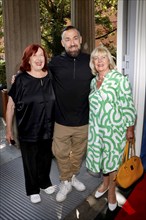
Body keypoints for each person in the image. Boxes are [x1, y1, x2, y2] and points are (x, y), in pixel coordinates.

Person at [86, 46, 136, 212]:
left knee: (113, 161)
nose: (99, 61)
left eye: (103, 57)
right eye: (96, 58)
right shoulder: (94, 81)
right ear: (93, 62)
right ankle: (105, 183)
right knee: (103, 159)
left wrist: (130, 129)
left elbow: (128, 105)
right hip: (97, 130)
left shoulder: (119, 79)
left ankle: (112, 192)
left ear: (109, 60)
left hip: (114, 129)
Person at [6, 44, 56, 204]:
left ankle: (44, 182)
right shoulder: (20, 79)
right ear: (28, 59)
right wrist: (8, 130)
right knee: (30, 161)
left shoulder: (51, 76)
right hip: (28, 129)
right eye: (34, 55)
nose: (39, 59)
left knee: (45, 158)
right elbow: (10, 106)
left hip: (48, 128)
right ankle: (33, 189)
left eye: (41, 55)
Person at [49, 26, 94, 202]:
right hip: (61, 120)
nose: (72, 43)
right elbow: (38, 72)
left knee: (78, 153)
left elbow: (105, 74)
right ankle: (65, 180)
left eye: (75, 38)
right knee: (59, 153)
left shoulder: (90, 61)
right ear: (62, 43)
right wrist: (20, 77)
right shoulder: (55, 62)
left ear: (80, 39)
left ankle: (73, 177)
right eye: (67, 39)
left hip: (84, 120)